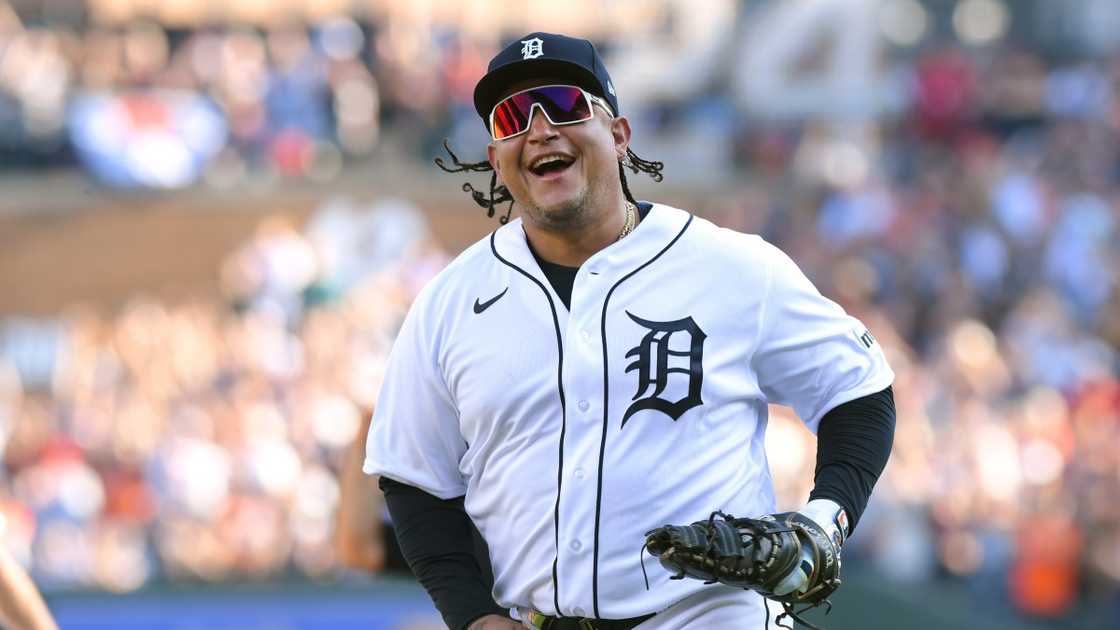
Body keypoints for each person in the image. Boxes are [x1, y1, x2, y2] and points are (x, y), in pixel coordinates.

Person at [364, 32, 896, 630]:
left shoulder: (732, 267)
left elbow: (858, 388)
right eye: (512, 118)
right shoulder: (449, 302)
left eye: (564, 105)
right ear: (495, 159)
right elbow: (415, 481)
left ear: (619, 135)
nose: (540, 129)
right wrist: (472, 615)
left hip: (711, 615)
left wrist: (826, 519)